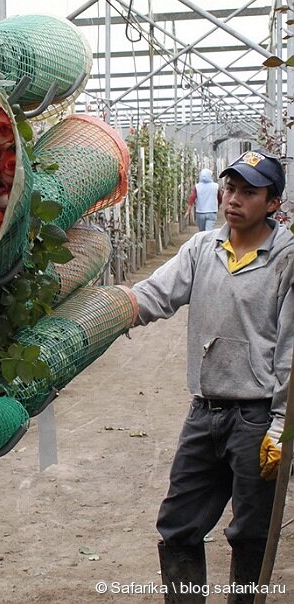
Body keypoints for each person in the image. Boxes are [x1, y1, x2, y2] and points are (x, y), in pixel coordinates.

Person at [127, 149, 294, 603]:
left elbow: (289, 351)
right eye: (231, 188)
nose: (233, 199)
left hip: (257, 420)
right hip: (205, 412)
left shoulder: (286, 260)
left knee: (250, 533)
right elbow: (155, 294)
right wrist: (110, 309)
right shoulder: (202, 248)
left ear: (273, 203)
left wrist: (280, 425)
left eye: (249, 192)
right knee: (179, 525)